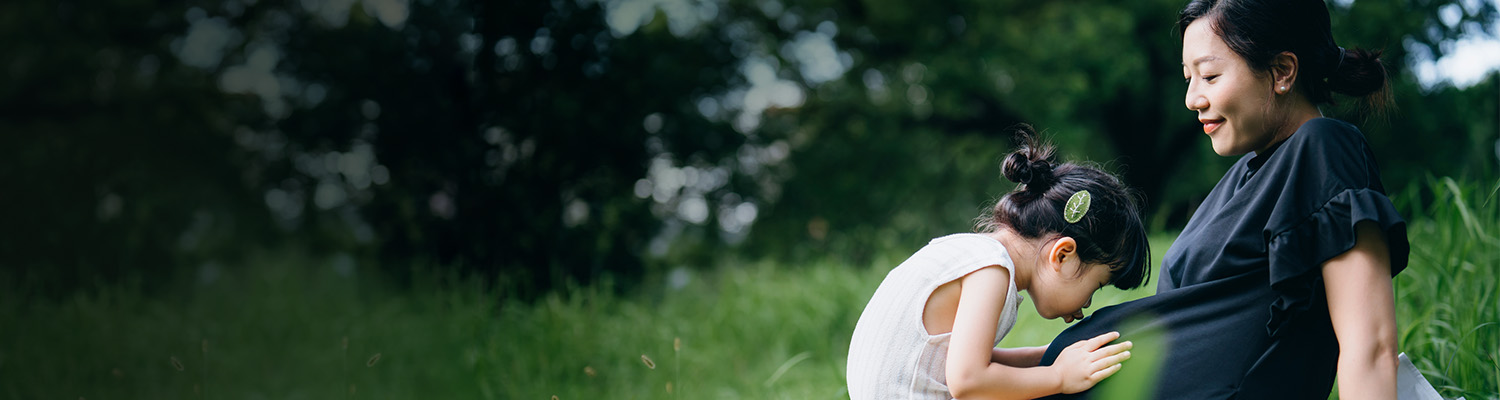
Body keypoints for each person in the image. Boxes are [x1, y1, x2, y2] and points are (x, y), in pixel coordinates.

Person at [1035, 0, 1410, 398]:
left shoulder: (1325, 151)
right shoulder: (1242, 176)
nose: (1192, 99)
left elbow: (1369, 348)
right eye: (1188, 79)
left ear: (1282, 71)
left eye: (1210, 76)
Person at [846, 125, 1153, 400]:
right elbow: (968, 381)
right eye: (1096, 287)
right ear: (1062, 255)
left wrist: (1050, 356)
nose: (1085, 304)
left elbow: (965, 361)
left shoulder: (970, 253)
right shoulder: (991, 272)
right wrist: (1058, 376)